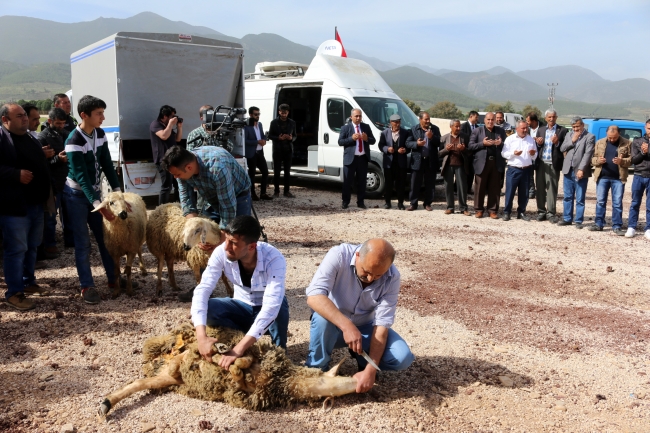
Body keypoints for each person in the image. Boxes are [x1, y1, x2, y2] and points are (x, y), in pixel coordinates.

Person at [305, 239, 414, 393]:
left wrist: (372, 368)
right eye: (367, 271)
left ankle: (363, 360)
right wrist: (347, 325)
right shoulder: (339, 255)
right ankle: (316, 369)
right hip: (332, 327)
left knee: (402, 357)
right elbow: (314, 296)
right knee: (322, 318)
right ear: (357, 255)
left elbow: (382, 325)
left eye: (377, 275)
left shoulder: (393, 277)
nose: (370, 279)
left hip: (364, 327)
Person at [192, 216, 289, 369]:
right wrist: (201, 337)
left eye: (234, 243)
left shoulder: (274, 259)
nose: (226, 247)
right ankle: (237, 336)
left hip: (265, 307)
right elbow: (202, 290)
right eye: (227, 240)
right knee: (209, 308)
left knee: (280, 305)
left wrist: (239, 349)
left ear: (251, 247)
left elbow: (271, 306)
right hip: (241, 305)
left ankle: (280, 350)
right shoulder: (221, 252)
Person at [63, 95, 131, 304]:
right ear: (84, 115)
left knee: (105, 239)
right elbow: (81, 176)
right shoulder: (73, 141)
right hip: (76, 197)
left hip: (94, 196)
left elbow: (107, 165)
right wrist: (97, 205)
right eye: (99, 113)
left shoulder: (100, 134)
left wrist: (118, 193)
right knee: (83, 243)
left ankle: (114, 279)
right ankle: (87, 286)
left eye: (103, 112)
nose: (103, 117)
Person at [0, 103, 52, 310]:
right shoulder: (2, 139)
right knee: (16, 249)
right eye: (19, 116)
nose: (25, 118)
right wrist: (15, 174)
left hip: (36, 204)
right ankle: (14, 293)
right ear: (5, 120)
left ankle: (28, 282)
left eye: (25, 115)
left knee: (32, 246)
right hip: (14, 207)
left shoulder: (30, 136)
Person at [162, 145, 251, 229]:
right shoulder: (181, 166)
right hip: (211, 195)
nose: (175, 177)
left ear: (189, 168)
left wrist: (223, 237)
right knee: (208, 233)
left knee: (237, 236)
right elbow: (187, 199)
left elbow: (228, 208)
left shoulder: (217, 168)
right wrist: (194, 226)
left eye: (177, 174)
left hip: (237, 195)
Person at [38, 108, 74, 256]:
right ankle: (50, 245)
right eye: (58, 123)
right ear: (50, 121)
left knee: (70, 214)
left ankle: (70, 240)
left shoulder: (66, 135)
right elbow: (41, 164)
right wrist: (58, 159)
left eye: (63, 123)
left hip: (67, 182)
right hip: (52, 183)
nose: (61, 126)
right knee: (51, 218)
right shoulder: (42, 138)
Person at [589, 125, 631, 235]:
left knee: (617, 203)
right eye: (610, 137)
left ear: (619, 134)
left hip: (618, 178)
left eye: (614, 138)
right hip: (602, 177)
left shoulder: (627, 143)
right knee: (600, 202)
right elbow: (592, 159)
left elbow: (632, 160)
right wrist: (598, 160)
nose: (612, 139)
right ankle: (599, 224)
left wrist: (622, 161)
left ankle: (617, 226)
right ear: (607, 134)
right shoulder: (600, 142)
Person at [558, 117, 595, 229]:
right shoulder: (569, 135)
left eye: (577, 126)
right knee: (567, 196)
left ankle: (578, 220)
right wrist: (573, 140)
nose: (575, 129)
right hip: (568, 169)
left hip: (580, 171)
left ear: (582, 125)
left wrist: (581, 169)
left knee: (580, 198)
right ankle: (567, 218)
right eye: (573, 127)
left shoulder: (590, 137)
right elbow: (562, 148)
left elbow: (588, 154)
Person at [468, 112, 506, 218]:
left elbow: (507, 146)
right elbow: (470, 146)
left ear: (495, 120)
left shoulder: (501, 131)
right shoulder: (477, 131)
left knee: (495, 188)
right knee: (479, 187)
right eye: (488, 119)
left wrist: (501, 144)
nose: (490, 122)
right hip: (481, 163)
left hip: (496, 162)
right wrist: (482, 144)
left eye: (492, 119)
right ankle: (479, 209)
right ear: (484, 120)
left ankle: (492, 210)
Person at [534, 110, 568, 223]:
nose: (551, 119)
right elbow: (537, 147)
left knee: (552, 189)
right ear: (545, 118)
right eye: (549, 117)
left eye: (553, 117)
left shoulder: (562, 130)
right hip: (541, 163)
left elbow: (566, 147)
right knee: (539, 189)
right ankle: (541, 212)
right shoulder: (541, 130)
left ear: (556, 117)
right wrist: (538, 143)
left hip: (554, 164)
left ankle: (551, 213)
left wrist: (557, 143)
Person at [339, 108, 376, 209]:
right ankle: (345, 201)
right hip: (350, 158)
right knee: (347, 181)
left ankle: (360, 202)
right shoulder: (345, 128)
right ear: (351, 117)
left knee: (362, 181)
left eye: (360, 116)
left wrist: (366, 139)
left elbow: (373, 140)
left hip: (362, 158)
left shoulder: (366, 127)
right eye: (356, 116)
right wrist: (352, 138)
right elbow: (340, 142)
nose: (358, 118)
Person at [501, 120, 537, 221]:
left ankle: (521, 212)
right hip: (513, 169)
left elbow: (535, 156)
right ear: (517, 129)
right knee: (510, 192)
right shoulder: (510, 139)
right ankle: (507, 212)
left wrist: (533, 153)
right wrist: (513, 153)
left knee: (524, 193)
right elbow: (504, 153)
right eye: (523, 128)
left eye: (526, 128)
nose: (525, 130)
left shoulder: (530, 140)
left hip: (526, 169)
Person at [406, 111, 440, 211]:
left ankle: (428, 203)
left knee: (430, 183)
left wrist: (432, 137)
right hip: (417, 160)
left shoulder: (435, 129)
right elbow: (408, 143)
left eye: (429, 119)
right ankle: (413, 204)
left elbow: (439, 142)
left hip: (430, 160)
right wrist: (416, 144)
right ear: (420, 119)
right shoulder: (414, 129)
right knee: (415, 183)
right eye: (426, 119)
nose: (428, 121)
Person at [150, 105, 183, 205]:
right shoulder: (155, 124)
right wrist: (170, 125)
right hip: (163, 160)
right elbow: (164, 136)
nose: (173, 118)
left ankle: (179, 206)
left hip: (173, 159)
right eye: (171, 116)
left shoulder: (167, 126)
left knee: (178, 184)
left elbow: (178, 139)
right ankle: (162, 209)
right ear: (164, 116)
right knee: (167, 186)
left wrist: (179, 127)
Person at [377, 114, 409, 209]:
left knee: (401, 184)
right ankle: (388, 202)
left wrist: (405, 150)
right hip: (389, 162)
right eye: (395, 122)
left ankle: (400, 203)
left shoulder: (405, 133)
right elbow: (381, 145)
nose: (397, 124)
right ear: (391, 122)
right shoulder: (384, 133)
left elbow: (409, 146)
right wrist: (387, 149)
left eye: (398, 122)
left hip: (400, 162)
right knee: (388, 183)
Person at [439, 119, 470, 215]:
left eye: (459, 126)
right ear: (451, 127)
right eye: (456, 126)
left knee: (462, 187)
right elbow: (439, 153)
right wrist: (446, 150)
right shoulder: (444, 138)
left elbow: (470, 152)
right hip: (448, 165)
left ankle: (463, 208)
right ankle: (450, 207)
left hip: (460, 165)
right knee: (448, 187)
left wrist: (464, 149)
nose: (458, 128)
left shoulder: (465, 137)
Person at [626, 119, 650, 239]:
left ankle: (649, 228)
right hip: (639, 175)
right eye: (649, 128)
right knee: (635, 202)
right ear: (645, 128)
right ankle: (631, 227)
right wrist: (643, 152)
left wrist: (648, 151)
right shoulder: (637, 141)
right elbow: (634, 160)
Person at [268, 104, 296, 198]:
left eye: (285, 113)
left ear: (288, 112)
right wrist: (278, 138)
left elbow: (295, 135)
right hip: (278, 150)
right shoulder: (274, 122)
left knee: (287, 172)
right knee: (277, 172)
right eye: (282, 112)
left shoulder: (292, 122)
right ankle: (276, 191)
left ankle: (286, 191)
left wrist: (291, 138)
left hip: (288, 150)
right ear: (279, 112)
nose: (284, 114)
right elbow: (270, 135)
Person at [244, 106, 272, 201]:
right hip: (251, 153)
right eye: (256, 114)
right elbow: (245, 141)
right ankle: (252, 193)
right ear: (251, 115)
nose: (257, 116)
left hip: (260, 152)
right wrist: (257, 142)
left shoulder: (259, 124)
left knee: (265, 171)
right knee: (252, 174)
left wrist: (264, 140)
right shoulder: (246, 126)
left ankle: (263, 193)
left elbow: (262, 135)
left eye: (258, 114)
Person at [460, 110, 480, 193]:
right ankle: (460, 188)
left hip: (474, 153)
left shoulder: (478, 127)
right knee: (463, 171)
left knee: (471, 171)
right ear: (471, 116)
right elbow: (461, 137)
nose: (477, 119)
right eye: (476, 117)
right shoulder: (463, 126)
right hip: (465, 152)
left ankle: (468, 188)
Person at [526, 113, 541, 199]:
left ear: (534, 121)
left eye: (528, 121)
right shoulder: (527, 129)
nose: (527, 122)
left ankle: (541, 191)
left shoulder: (543, 127)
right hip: (529, 154)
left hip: (540, 154)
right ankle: (531, 191)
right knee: (529, 174)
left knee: (540, 175)